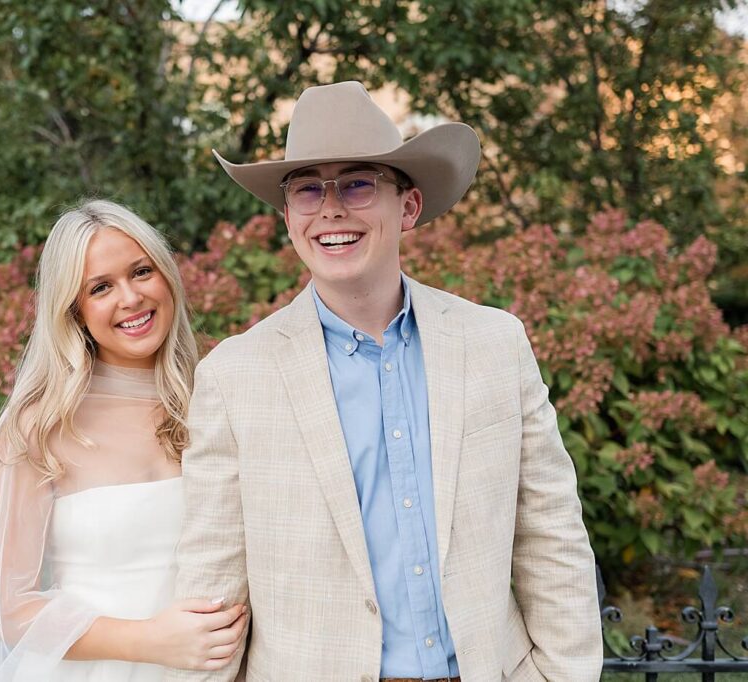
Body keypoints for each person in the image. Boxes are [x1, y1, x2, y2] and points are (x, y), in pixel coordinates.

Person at [166, 81, 602, 681]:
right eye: (307, 190)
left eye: (358, 183)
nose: (331, 209)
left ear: (410, 206)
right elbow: (213, 595)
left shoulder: (495, 345)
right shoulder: (234, 377)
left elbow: (551, 538)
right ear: (288, 214)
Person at [0, 200, 247, 681]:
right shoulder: (40, 426)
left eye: (141, 272)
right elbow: (9, 611)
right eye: (100, 287)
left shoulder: (218, 397)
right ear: (73, 311)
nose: (131, 297)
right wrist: (151, 641)